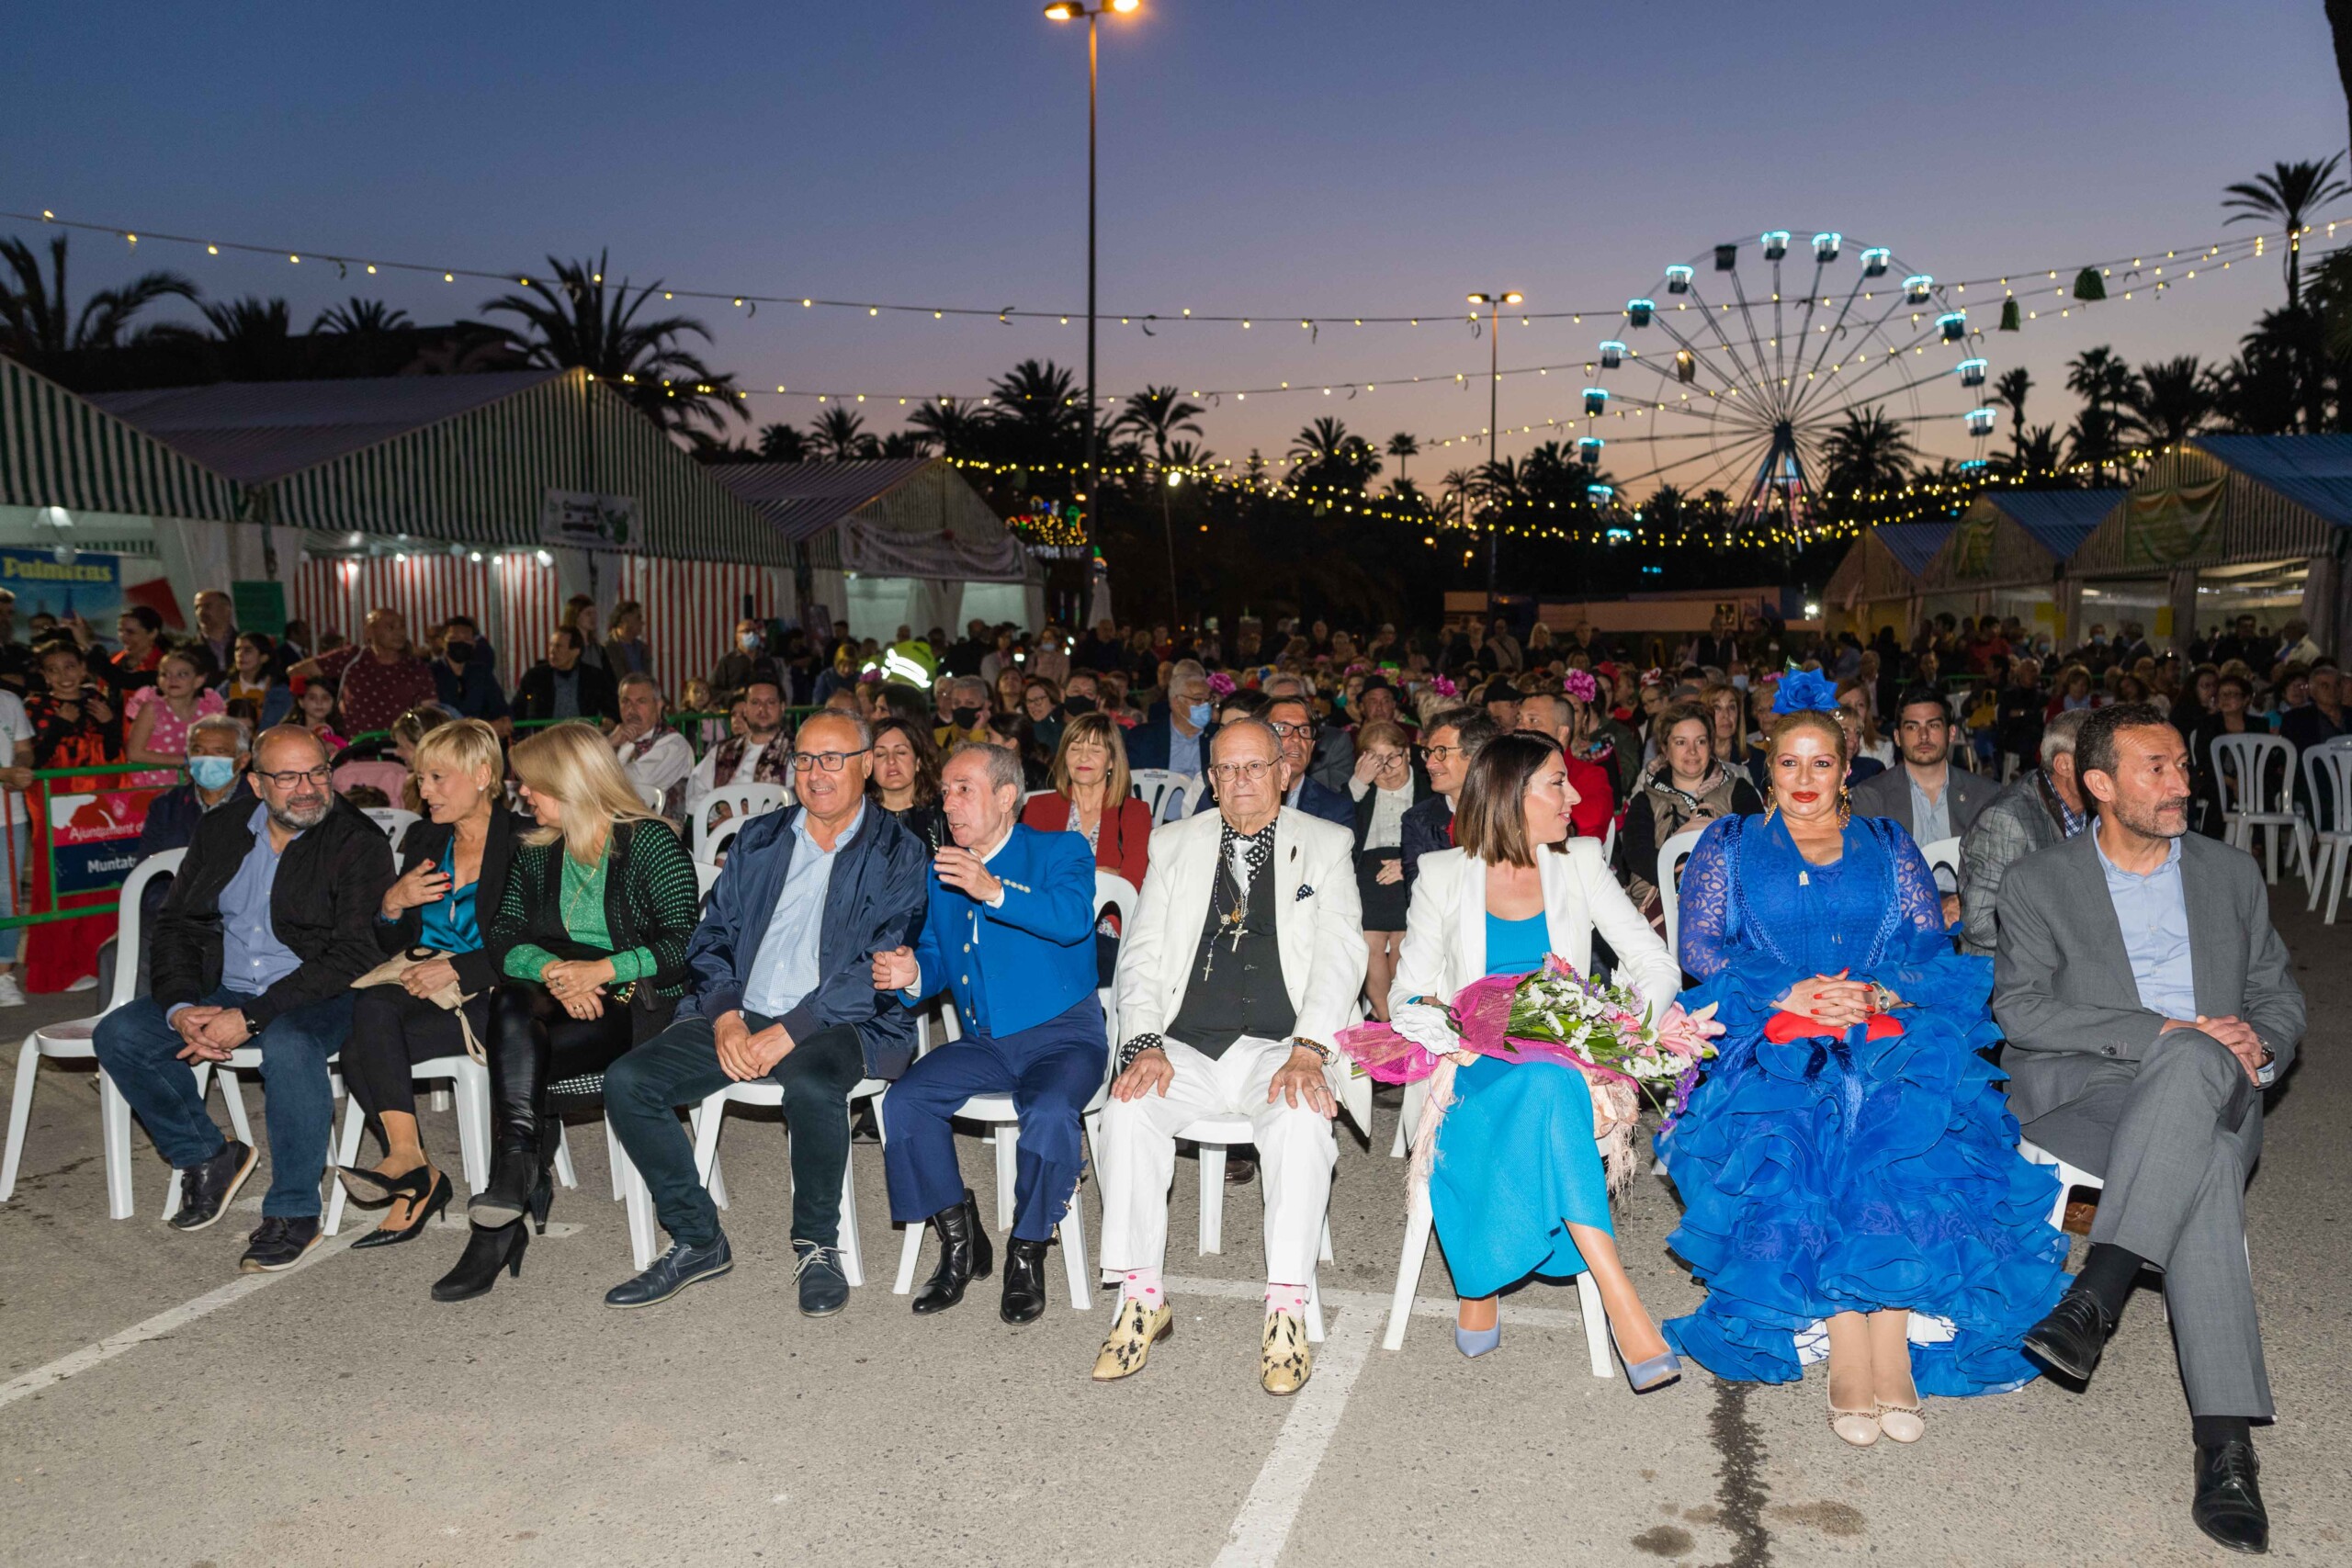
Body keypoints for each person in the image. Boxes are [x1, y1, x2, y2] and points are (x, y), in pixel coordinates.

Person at [1657, 672, 2070, 1448]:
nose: (1805, 779)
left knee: (1897, 1104)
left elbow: (1930, 947)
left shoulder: (1887, 843)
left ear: (1846, 768)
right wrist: (1791, 991)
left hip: (1883, 1019)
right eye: (1789, 763)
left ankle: (1892, 1335)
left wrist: (1879, 992)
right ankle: (1850, 1334)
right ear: (1768, 767)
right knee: (1820, 1106)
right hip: (1773, 1027)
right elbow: (1701, 948)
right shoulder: (1730, 843)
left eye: (1822, 763)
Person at [1995, 704, 2304, 1554]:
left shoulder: (2229, 872)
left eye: (2181, 766)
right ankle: (2225, 1446)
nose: (2179, 784)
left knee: (2200, 1075)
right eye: (2155, 768)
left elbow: (2277, 996)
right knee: (2207, 1155)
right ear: (2099, 783)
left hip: (2218, 1083)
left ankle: (2096, 1292)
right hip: (2093, 1094)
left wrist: (2261, 1044)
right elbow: (2021, 1010)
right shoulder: (2039, 881)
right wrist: (2167, 1032)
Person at [602, 710, 928, 1315]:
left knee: (812, 1084)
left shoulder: (898, 850)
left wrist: (792, 1029)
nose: (816, 773)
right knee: (628, 1080)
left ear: (865, 766)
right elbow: (712, 934)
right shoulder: (760, 837)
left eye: (832, 759)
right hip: (743, 1008)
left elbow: (877, 965)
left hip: (842, 1020)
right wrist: (725, 1014)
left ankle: (816, 1244)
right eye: (804, 759)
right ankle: (698, 1238)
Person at [1387, 733, 1685, 1386]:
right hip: (1473, 1063)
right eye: (1558, 782)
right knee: (1545, 1089)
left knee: (1550, 1081)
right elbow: (1405, 993)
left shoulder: (1580, 861)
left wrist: (1624, 1028)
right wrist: (1449, 1029)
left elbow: (1655, 961)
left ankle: (1487, 1274)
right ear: (1511, 794)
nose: (1574, 795)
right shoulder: (1443, 873)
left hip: (1563, 1054)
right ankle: (1613, 1298)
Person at [1092, 716, 1364, 1395]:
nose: (1241, 780)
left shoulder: (1327, 844)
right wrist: (1144, 1042)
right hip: (1187, 1041)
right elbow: (1141, 957)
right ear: (1211, 779)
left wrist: (1309, 1049)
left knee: (1301, 1115)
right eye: (1227, 769)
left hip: (1282, 1044)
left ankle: (1287, 1307)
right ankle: (1141, 1296)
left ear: (1284, 772)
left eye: (1254, 766)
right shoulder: (1174, 844)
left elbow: (1341, 957)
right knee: (1126, 1111)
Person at [91, 726, 394, 1272]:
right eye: (288, 777)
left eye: (318, 773)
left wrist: (251, 1017)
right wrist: (181, 1007)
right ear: (255, 783)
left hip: (321, 989)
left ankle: (295, 1210)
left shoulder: (357, 841)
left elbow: (354, 953)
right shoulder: (222, 829)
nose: (308, 789)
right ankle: (206, 1155)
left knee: (290, 1044)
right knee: (121, 1034)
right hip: (227, 984)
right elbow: (178, 925)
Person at [449, 723, 702, 1300]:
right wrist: (555, 974)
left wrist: (603, 971)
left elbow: (684, 943)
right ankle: (518, 1168)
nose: (523, 795)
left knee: (516, 1054)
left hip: (630, 996)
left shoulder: (650, 842)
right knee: (511, 1003)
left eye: (533, 785)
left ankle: (506, 1204)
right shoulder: (537, 849)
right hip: (554, 988)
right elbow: (504, 936)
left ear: (571, 784)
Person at [869, 742, 1102, 1325]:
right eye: (945, 791)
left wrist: (993, 889)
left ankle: (1027, 1249)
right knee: (904, 1101)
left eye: (964, 789)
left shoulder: (1060, 849)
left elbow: (1073, 918)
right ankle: (960, 1238)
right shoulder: (944, 868)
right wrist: (912, 973)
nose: (949, 803)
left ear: (1005, 796)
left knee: (1050, 1111)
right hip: (987, 1042)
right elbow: (937, 955)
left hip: (1063, 1036)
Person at [335, 720, 522, 1251]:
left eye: (439, 777)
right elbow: (390, 939)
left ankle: (413, 1176)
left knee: (361, 1045)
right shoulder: (425, 837)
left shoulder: (526, 839)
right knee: (366, 1024)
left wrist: (463, 969)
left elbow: (538, 940)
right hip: (424, 980)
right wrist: (392, 904)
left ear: (482, 775)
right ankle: (413, 1164)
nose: (425, 790)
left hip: (499, 994)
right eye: (421, 778)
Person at [22, 638, 125, 993]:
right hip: (57, 810)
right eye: (53, 670)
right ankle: (62, 967)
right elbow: (33, 761)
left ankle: (98, 959)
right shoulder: (35, 707)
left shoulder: (98, 702)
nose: (63, 676)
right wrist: (58, 726)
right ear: (44, 675)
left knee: (97, 879)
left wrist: (110, 724)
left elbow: (113, 752)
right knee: (60, 882)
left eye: (69, 666)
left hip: (97, 808)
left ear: (83, 668)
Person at [1020, 711, 1152, 984]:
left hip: (1106, 931)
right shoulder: (1039, 808)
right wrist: (1104, 872)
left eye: (1095, 749)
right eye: (1075, 748)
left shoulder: (1134, 812)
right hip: (1047, 926)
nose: (1083, 757)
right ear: (1063, 757)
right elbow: (1029, 877)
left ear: (1112, 760)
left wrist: (1065, 875)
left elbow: (1133, 882)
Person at [1612, 699, 1764, 923]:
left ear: (1710, 745)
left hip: (1727, 898)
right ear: (1665, 748)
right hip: (1660, 899)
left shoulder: (1737, 789)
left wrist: (1709, 876)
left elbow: (1755, 841)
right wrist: (1683, 877)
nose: (1692, 751)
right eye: (1681, 742)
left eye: (1700, 741)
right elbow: (1637, 854)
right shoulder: (1646, 799)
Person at [1957, 708, 2090, 958]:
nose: (2113, 768)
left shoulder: (2098, 810)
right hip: (2011, 970)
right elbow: (1979, 922)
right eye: (2101, 758)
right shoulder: (2007, 821)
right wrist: (2071, 942)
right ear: (2064, 765)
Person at [130, 713, 252, 922]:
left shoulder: (260, 805)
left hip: (241, 921)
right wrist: (177, 912)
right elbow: (149, 877)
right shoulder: (166, 806)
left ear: (243, 760)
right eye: (198, 750)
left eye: (219, 752)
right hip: (176, 919)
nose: (206, 759)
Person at [1348, 719, 1427, 1022]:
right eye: (1376, 761)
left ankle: (1403, 1016)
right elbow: (1334, 824)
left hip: (1414, 871)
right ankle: (1385, 1019)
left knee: (1403, 943)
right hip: (1367, 875)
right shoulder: (1359, 788)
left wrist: (1410, 864)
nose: (1387, 769)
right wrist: (1358, 783)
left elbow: (1444, 835)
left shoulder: (1427, 785)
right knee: (1369, 944)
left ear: (1406, 753)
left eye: (1392, 758)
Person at [288, 609, 439, 739]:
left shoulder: (416, 667)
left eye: (402, 626)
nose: (399, 633)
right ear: (369, 632)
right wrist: (325, 697)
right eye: (390, 627)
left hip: (400, 749)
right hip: (353, 749)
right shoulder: (351, 658)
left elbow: (430, 710)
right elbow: (295, 671)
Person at [1400, 706, 1498, 886]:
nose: (1429, 764)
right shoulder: (1418, 820)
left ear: (1477, 755)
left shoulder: (1513, 811)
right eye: (1429, 753)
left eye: (1441, 752)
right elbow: (1418, 891)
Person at [685, 678, 790, 825]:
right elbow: (694, 794)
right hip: (723, 832)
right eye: (755, 703)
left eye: (770, 702)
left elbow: (799, 801)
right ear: (746, 709)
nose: (762, 709)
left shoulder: (797, 751)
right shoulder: (722, 751)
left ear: (782, 707)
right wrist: (719, 808)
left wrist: (750, 813)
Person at [1513, 692, 1613, 840]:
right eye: (1519, 719)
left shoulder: (1590, 776)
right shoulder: (1508, 769)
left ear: (1562, 733)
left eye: (1533, 720)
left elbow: (1591, 824)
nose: (1520, 727)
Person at [123, 648, 227, 791]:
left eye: (182, 674)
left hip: (191, 789)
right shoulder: (153, 709)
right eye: (165, 674)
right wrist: (184, 760)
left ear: (198, 680)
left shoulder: (208, 711)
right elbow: (134, 753)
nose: (172, 679)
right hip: (152, 787)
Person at [607, 673, 694, 822]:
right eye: (625, 702)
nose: (631, 710)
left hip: (656, 832)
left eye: (641, 701)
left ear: (658, 706)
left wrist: (604, 750)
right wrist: (609, 743)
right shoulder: (615, 739)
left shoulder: (675, 745)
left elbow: (634, 783)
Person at [1261, 695, 1353, 826]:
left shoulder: (1334, 811)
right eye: (1283, 729)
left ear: (1312, 745)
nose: (1297, 738)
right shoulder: (1238, 798)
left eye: (1304, 730)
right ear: (1258, 739)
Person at [1124, 659, 1216, 784]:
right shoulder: (1143, 739)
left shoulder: (1217, 737)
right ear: (1176, 703)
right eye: (1198, 699)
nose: (1205, 706)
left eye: (1209, 700)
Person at [869, 715, 950, 852]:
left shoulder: (945, 811)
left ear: (918, 762)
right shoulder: (858, 819)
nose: (891, 761)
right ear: (868, 765)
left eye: (901, 752)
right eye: (880, 754)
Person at [514, 626, 619, 728]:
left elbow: (612, 706)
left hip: (581, 735)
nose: (552, 651)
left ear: (575, 651)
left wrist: (609, 719)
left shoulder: (594, 677)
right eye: (551, 645)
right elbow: (518, 707)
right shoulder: (535, 677)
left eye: (558, 646)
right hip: (545, 736)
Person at [431, 615, 512, 728]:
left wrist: (503, 721)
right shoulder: (430, 673)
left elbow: (500, 708)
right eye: (454, 638)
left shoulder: (482, 673)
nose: (461, 642)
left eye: (467, 639)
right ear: (442, 642)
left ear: (474, 643)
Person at [220, 633, 293, 729]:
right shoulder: (224, 690)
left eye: (248, 650)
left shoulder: (281, 693)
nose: (240, 654)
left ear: (264, 657)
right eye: (237, 649)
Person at [103, 606, 166, 697]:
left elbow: (124, 680)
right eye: (120, 631)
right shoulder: (114, 660)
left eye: (130, 632)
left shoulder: (164, 666)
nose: (123, 637)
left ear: (152, 633)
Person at [710, 620, 778, 704]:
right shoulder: (727, 661)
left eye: (755, 631)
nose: (752, 634)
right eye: (747, 631)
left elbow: (777, 687)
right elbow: (713, 691)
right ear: (736, 637)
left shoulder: (767, 660)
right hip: (737, 708)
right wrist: (735, 694)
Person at [191, 589, 238, 677]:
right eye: (197, 607)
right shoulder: (187, 649)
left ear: (226, 609)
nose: (201, 612)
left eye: (207, 606)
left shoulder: (246, 645)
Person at [560, 594, 609, 674]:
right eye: (588, 614)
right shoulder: (567, 647)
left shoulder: (598, 649)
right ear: (575, 616)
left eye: (595, 613)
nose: (593, 617)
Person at [297, 676, 347, 753]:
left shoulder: (338, 735)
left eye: (325, 698)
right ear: (301, 702)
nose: (319, 703)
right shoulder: (292, 733)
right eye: (312, 698)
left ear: (333, 703)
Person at [605, 599, 651, 681]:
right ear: (624, 619)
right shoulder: (607, 649)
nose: (642, 623)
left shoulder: (643, 648)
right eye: (638, 618)